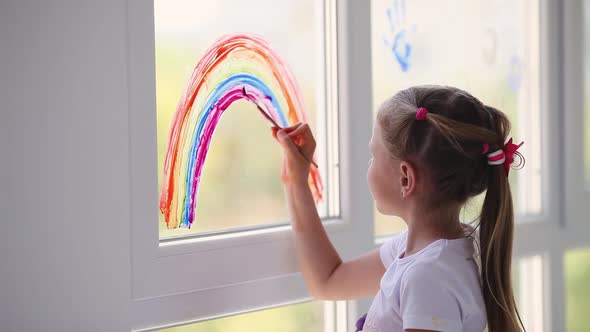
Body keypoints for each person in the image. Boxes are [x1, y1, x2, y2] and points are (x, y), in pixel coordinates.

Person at [272, 85, 526, 332]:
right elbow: (328, 280)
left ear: (405, 178)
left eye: (373, 155)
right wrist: (297, 182)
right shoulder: (421, 253)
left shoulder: (429, 276)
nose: (369, 165)